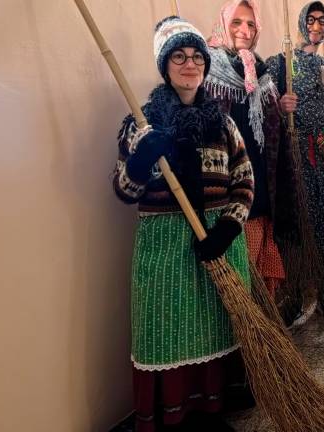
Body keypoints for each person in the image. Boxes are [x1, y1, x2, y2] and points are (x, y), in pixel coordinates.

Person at [112, 17, 254, 431]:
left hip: (218, 243)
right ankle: (173, 418)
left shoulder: (223, 123)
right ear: (165, 65)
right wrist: (140, 161)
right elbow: (123, 190)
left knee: (214, 328)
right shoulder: (141, 124)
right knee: (165, 330)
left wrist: (228, 229)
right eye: (179, 57)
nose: (190, 65)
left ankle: (212, 414)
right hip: (164, 246)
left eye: (197, 57)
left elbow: (244, 180)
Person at [266, 1, 324, 325]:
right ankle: (295, 293)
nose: (317, 25)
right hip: (299, 152)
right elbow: (260, 105)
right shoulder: (281, 62)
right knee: (305, 224)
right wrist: (279, 103)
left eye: (322, 20)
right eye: (312, 19)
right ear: (302, 23)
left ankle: (323, 293)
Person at [205, 1, 295, 322]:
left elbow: (272, 134)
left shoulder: (262, 73)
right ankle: (239, 342)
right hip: (229, 195)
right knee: (235, 274)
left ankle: (262, 331)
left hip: (262, 187)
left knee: (259, 268)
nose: (244, 30)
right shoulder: (207, 70)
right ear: (224, 24)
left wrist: (281, 108)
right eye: (236, 23)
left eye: (251, 24)